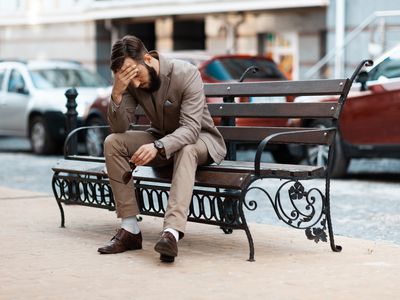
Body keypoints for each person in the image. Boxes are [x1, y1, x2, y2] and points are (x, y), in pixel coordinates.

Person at [97, 35, 226, 263]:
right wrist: (116, 93)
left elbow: (191, 129)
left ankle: (171, 233)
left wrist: (158, 146)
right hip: (162, 139)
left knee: (187, 149)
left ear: (147, 58)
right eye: (128, 78)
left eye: (136, 74)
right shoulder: (129, 82)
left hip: (201, 141)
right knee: (113, 142)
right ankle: (130, 230)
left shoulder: (186, 73)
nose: (135, 83)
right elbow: (119, 127)